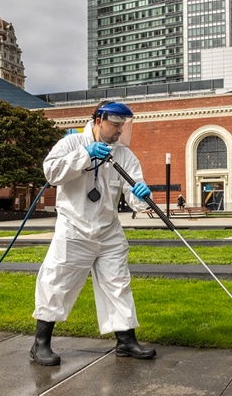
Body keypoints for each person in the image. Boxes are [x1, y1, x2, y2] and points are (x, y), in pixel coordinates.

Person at [30, 101, 156, 366]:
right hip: (73, 228)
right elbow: (51, 173)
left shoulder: (124, 155)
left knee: (118, 284)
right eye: (116, 125)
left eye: (124, 125)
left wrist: (142, 195)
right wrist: (85, 155)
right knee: (57, 282)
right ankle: (40, 345)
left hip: (108, 231)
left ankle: (126, 341)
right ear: (99, 120)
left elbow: (135, 193)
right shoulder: (71, 143)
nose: (120, 131)